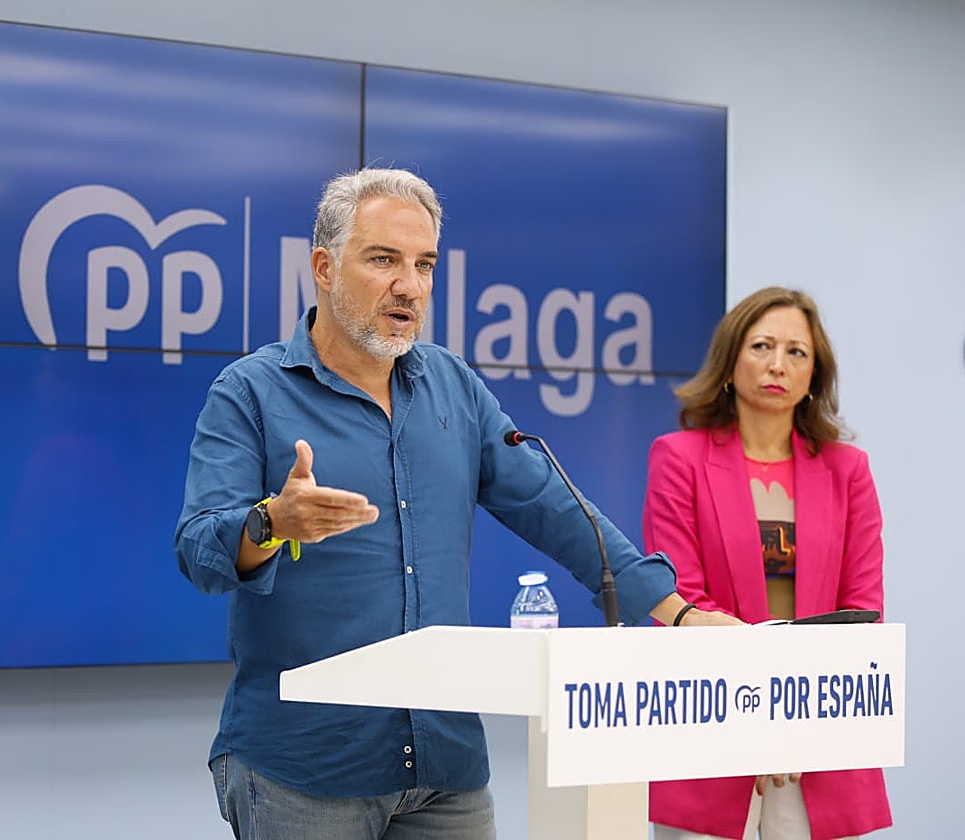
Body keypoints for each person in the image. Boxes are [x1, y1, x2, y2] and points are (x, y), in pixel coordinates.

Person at [175, 167, 736, 840]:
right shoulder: (250, 391)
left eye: (424, 264)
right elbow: (200, 550)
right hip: (306, 767)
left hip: (445, 765)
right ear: (324, 267)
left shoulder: (453, 386)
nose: (409, 286)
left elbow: (554, 508)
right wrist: (271, 522)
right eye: (383, 259)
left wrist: (678, 613)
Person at [644, 287, 892, 840]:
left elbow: (861, 613)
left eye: (796, 352)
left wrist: (793, 720)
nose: (778, 364)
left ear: (813, 377)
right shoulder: (678, 459)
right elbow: (682, 598)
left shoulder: (849, 470)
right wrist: (756, 718)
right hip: (710, 722)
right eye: (761, 346)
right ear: (730, 363)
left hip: (820, 733)